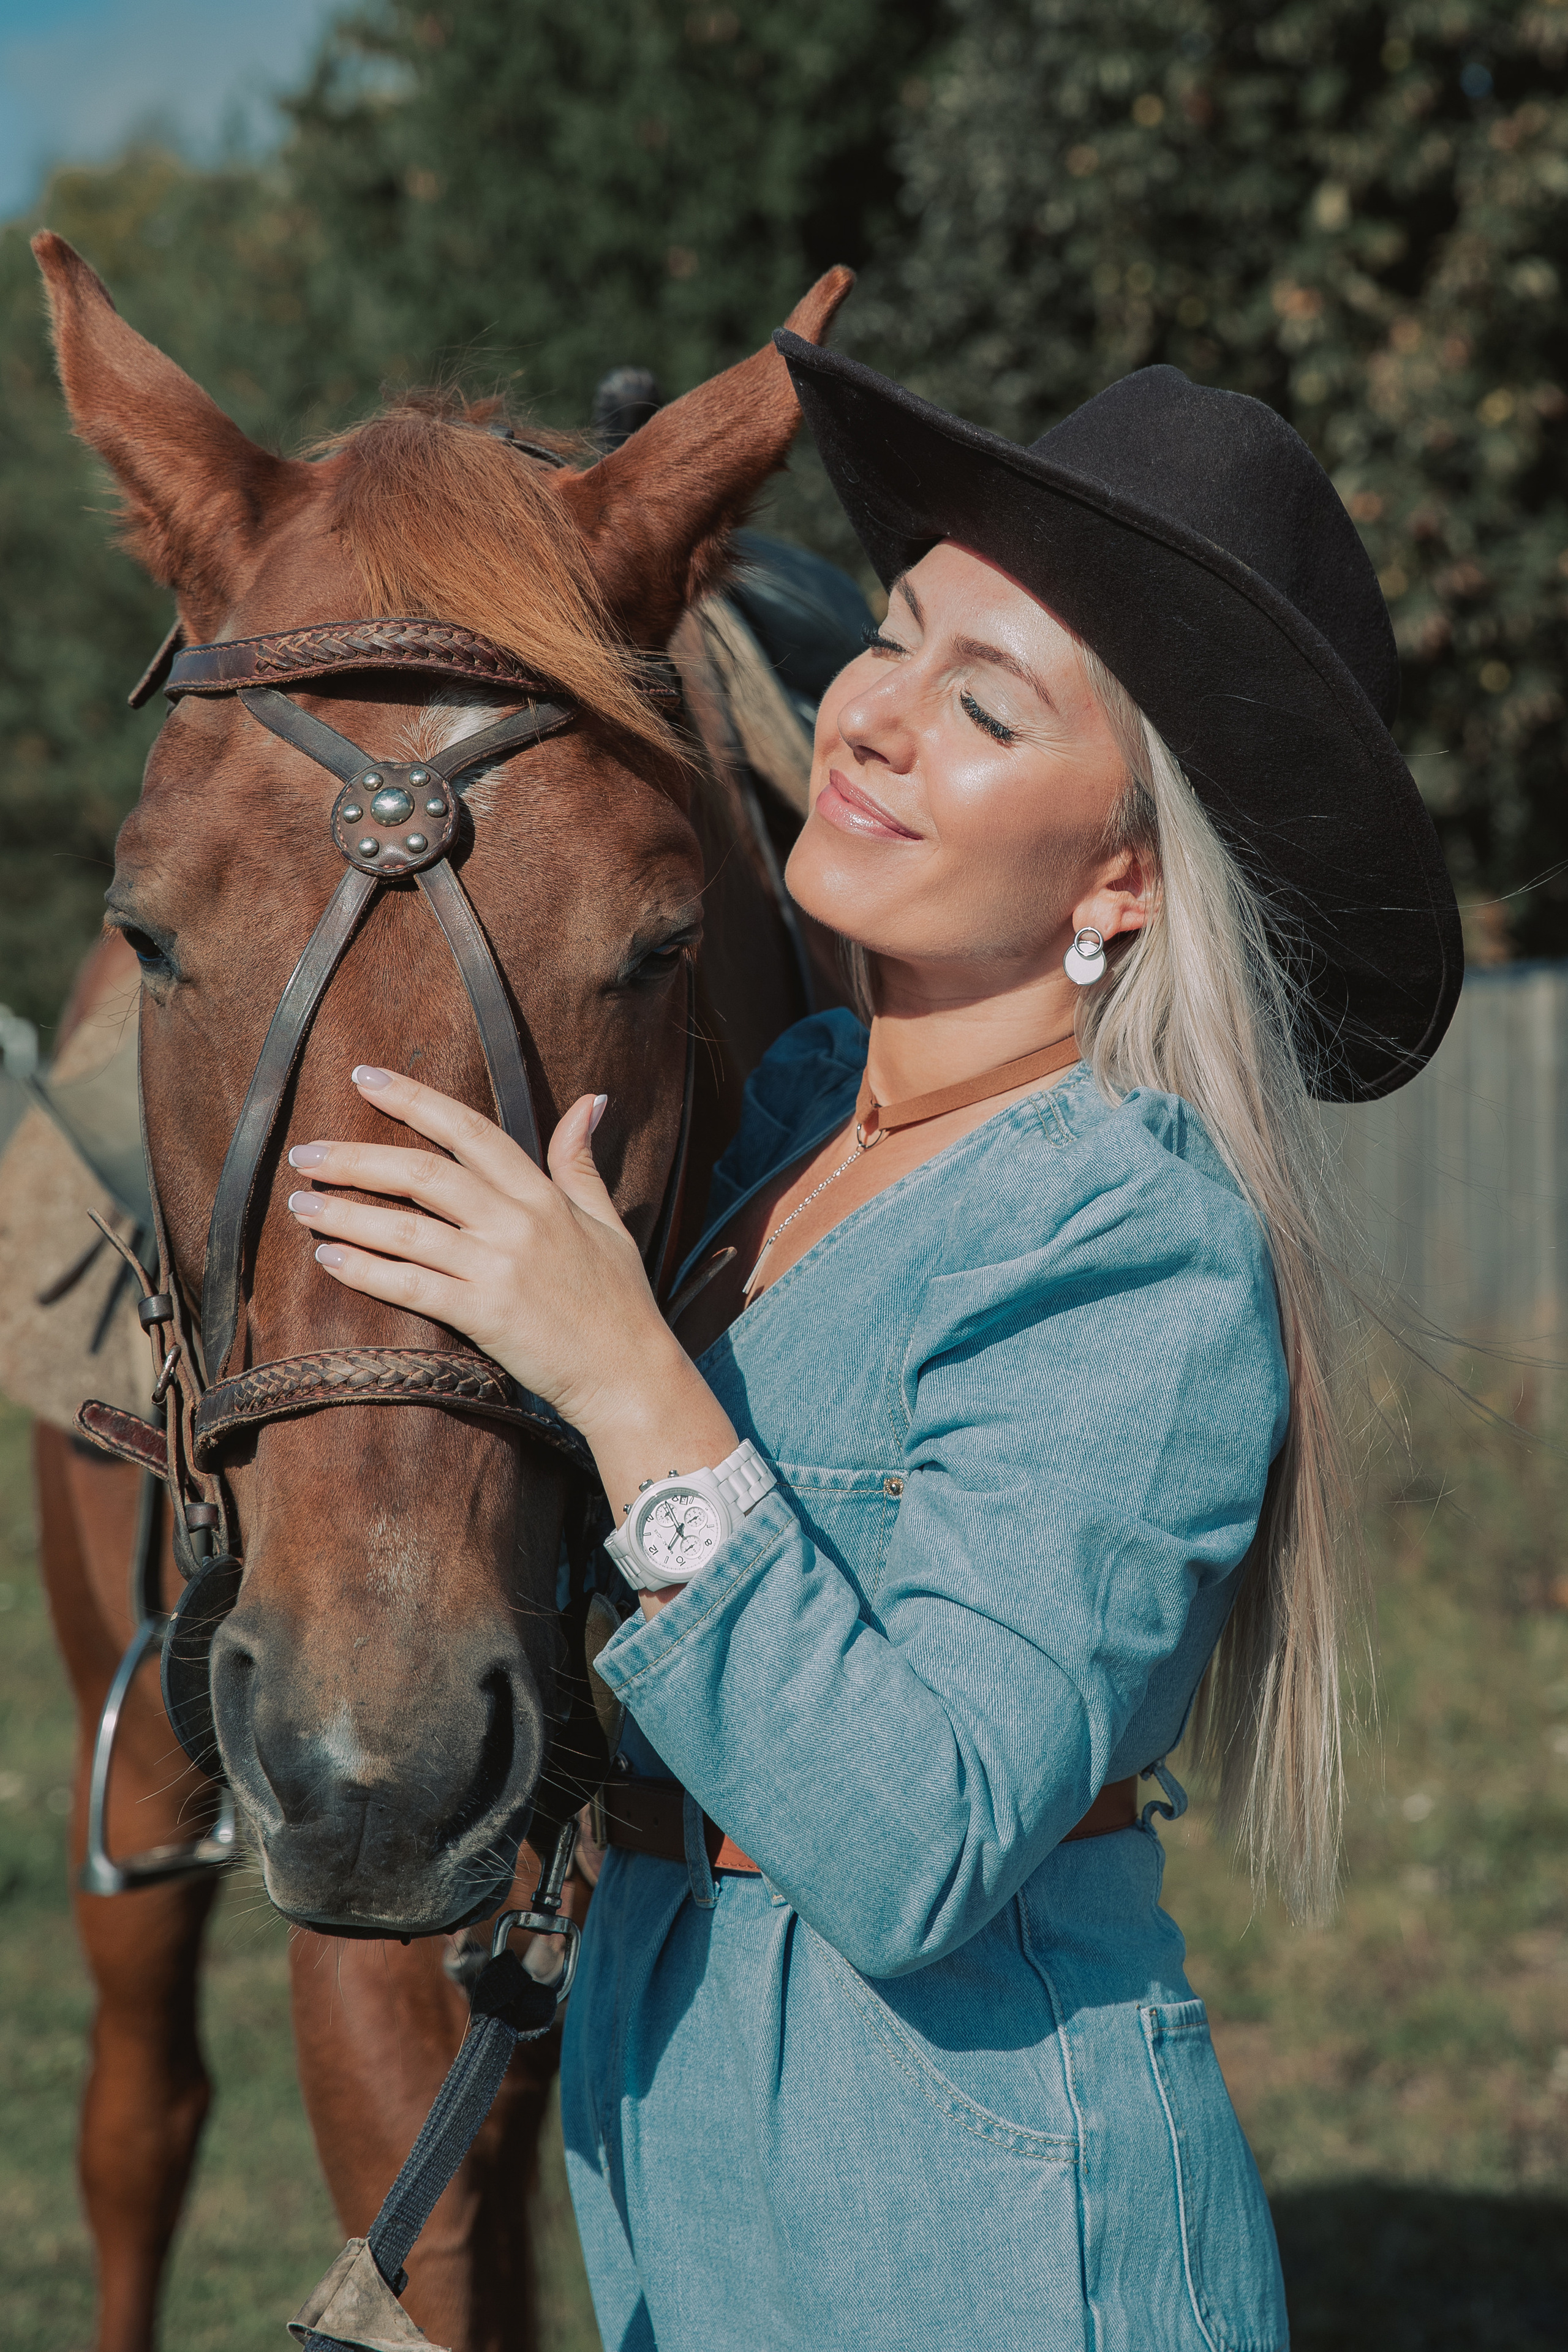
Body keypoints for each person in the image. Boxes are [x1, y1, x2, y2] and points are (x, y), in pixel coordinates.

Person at [282, 341, 1460, 2349]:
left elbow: (918, 1843)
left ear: (1123, 872)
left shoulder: (1128, 1228)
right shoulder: (792, 1116)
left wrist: (625, 1377)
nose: (876, 717)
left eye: (987, 705)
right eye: (898, 635)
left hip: (970, 2206)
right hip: (695, 2143)